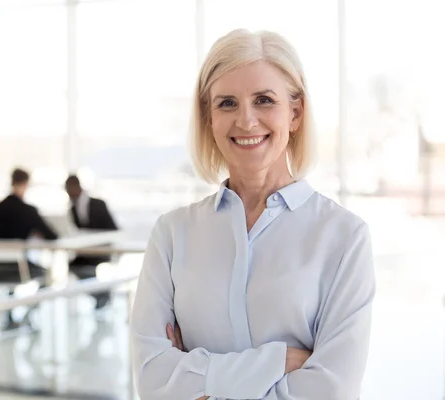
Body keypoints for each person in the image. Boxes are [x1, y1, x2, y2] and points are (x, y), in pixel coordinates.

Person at [129, 29, 375, 400]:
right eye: (226, 103)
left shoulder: (344, 236)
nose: (246, 121)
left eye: (264, 100)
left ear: (295, 112)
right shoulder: (171, 234)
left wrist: (196, 374)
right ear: (208, 119)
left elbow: (332, 389)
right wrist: (279, 362)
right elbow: (153, 381)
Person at [0, 168, 58, 328]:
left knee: (12, 266)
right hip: (18, 269)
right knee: (48, 275)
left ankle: (10, 317)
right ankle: (27, 316)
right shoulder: (28, 211)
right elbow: (52, 236)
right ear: (26, 184)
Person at [65, 174, 118, 309]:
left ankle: (102, 296)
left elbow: (113, 229)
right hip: (84, 251)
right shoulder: (72, 208)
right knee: (72, 266)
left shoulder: (98, 204)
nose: (68, 193)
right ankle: (101, 295)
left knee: (84, 269)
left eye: (69, 189)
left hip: (102, 249)